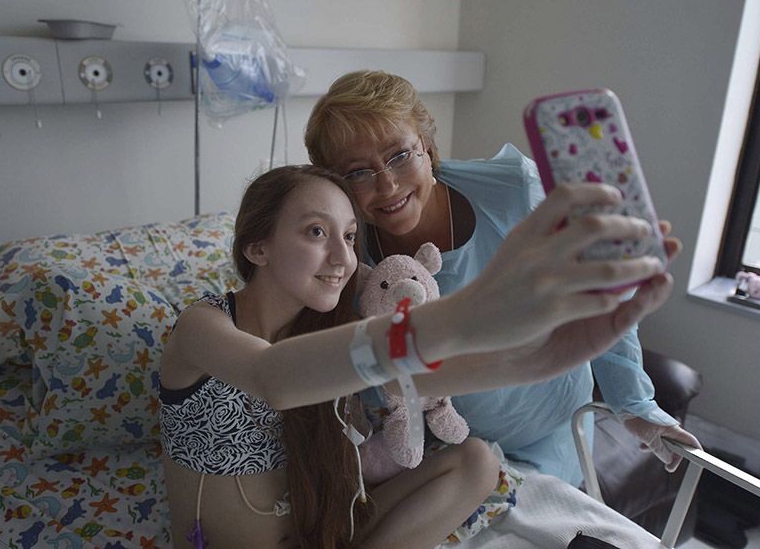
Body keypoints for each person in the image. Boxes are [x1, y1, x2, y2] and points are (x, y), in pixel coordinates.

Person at [158, 164, 673, 549]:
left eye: (350, 236)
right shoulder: (203, 329)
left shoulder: (331, 325)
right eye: (316, 232)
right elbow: (271, 376)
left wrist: (538, 359)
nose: (342, 258)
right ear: (257, 248)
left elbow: (418, 379)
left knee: (476, 460)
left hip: (328, 535)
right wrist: (465, 314)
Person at [304, 69, 700, 487]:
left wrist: (635, 404)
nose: (386, 184)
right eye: (358, 172)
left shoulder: (515, 192)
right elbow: (363, 365)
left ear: (426, 145)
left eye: (399, 155)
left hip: (549, 429)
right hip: (449, 448)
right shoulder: (345, 253)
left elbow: (599, 289)